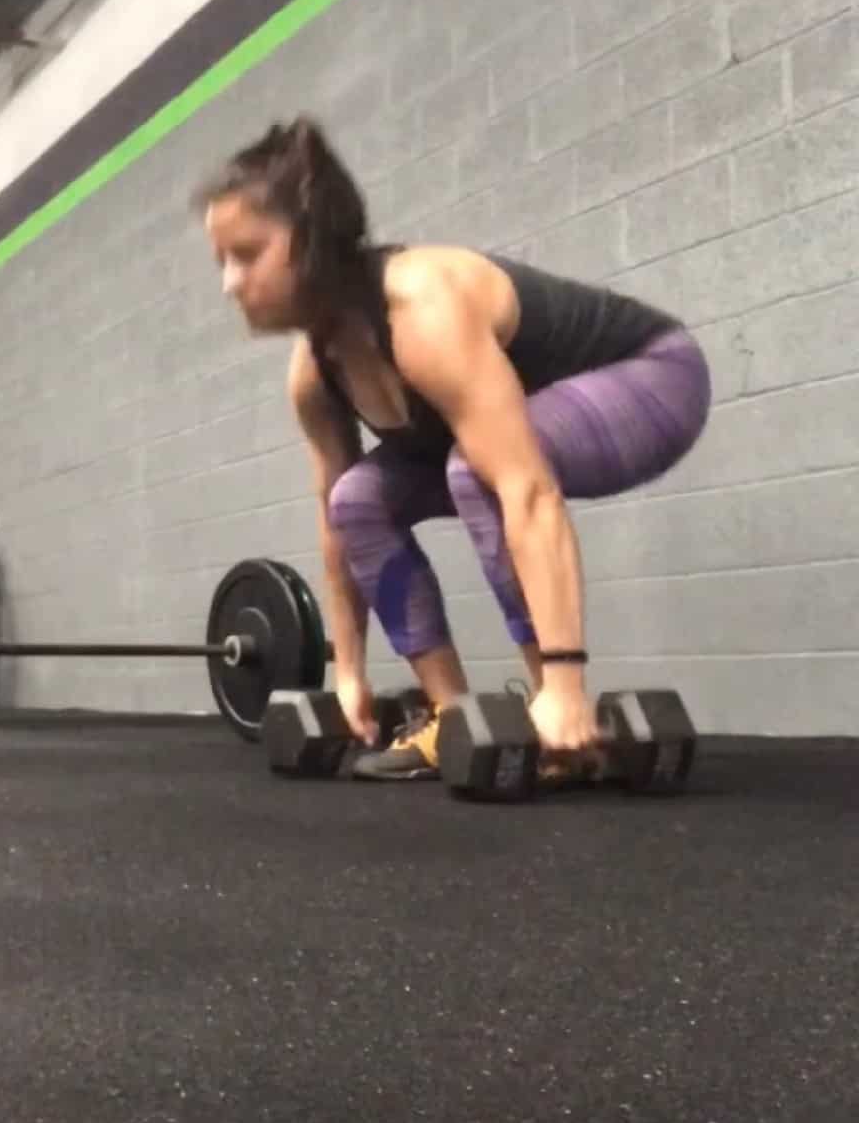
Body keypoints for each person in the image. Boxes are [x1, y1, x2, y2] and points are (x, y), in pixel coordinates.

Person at [194, 117, 711, 782]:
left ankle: (554, 716)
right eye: (221, 262)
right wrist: (347, 672)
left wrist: (564, 683)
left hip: (654, 377)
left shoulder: (421, 310)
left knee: (479, 471)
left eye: (247, 253)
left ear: (312, 241)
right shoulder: (314, 373)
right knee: (357, 500)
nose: (230, 283)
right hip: (529, 437)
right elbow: (335, 526)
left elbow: (526, 489)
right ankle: (454, 715)